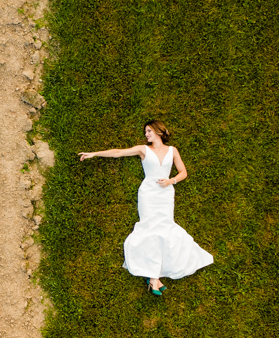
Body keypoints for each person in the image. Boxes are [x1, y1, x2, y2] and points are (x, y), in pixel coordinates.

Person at [79, 119, 212, 295]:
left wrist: (171, 180)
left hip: (165, 192)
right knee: (150, 228)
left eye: (149, 131)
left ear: (158, 131)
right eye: (145, 132)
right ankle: (154, 277)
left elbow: (183, 172)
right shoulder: (143, 150)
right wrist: (94, 154)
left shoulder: (173, 151)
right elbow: (118, 152)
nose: (146, 134)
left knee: (165, 227)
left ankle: (154, 277)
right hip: (148, 193)